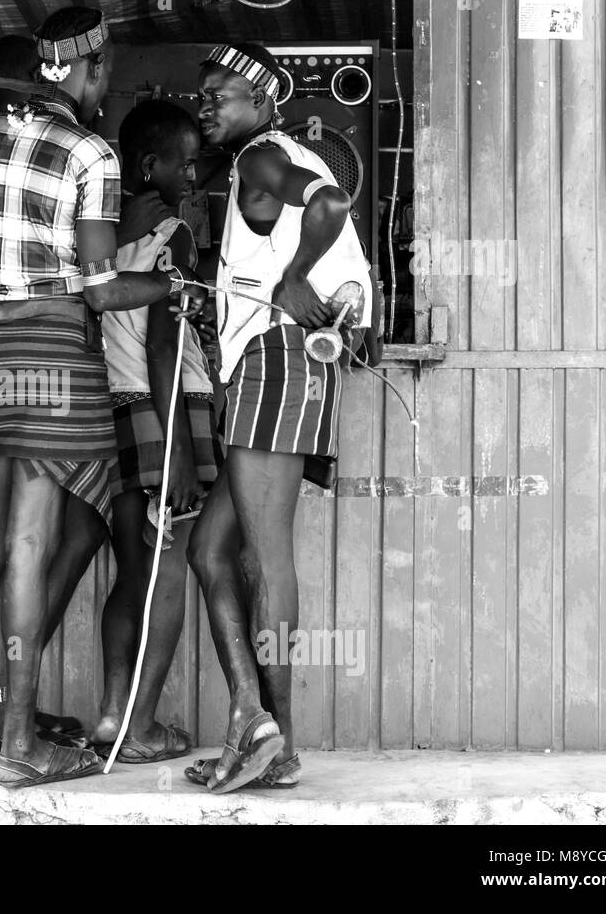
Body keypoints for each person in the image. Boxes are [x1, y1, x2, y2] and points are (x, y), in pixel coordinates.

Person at [0, 7, 203, 786]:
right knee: (31, 547)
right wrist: (170, 284)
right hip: (59, 354)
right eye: (103, 72)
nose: (106, 86)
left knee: (2, 541)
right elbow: (102, 292)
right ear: (87, 69)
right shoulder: (90, 153)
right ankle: (17, 747)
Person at [185, 42, 373, 792]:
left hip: (276, 359)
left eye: (220, 94)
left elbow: (330, 206)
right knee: (210, 551)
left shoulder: (262, 155)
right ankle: (253, 721)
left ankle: (279, 740)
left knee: (267, 556)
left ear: (263, 101)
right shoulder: (272, 158)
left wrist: (294, 277)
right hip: (283, 360)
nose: (207, 106)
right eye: (203, 96)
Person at [86, 100, 219, 763]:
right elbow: (167, 346)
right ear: (149, 166)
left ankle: (113, 714)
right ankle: (140, 730)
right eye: (185, 162)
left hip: (115, 407)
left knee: (131, 574)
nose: (195, 174)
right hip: (166, 409)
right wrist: (182, 459)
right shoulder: (176, 236)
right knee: (168, 572)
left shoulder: (102, 234)